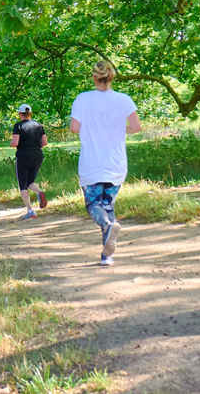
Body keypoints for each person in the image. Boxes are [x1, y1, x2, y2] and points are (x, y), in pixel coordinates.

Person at [70, 61, 141, 266]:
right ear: (112, 77)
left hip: (92, 162)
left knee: (93, 204)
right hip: (116, 162)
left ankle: (108, 227)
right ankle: (107, 255)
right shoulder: (124, 100)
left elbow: (75, 128)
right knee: (107, 204)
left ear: (94, 77)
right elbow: (136, 127)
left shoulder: (83, 99)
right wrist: (118, 130)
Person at [11, 104, 48, 220]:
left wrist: (11, 143)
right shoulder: (38, 125)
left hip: (23, 156)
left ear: (20, 114)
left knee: (23, 185)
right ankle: (39, 192)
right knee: (30, 181)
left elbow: (15, 142)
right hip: (37, 155)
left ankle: (30, 210)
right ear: (30, 113)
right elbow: (45, 142)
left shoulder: (18, 126)